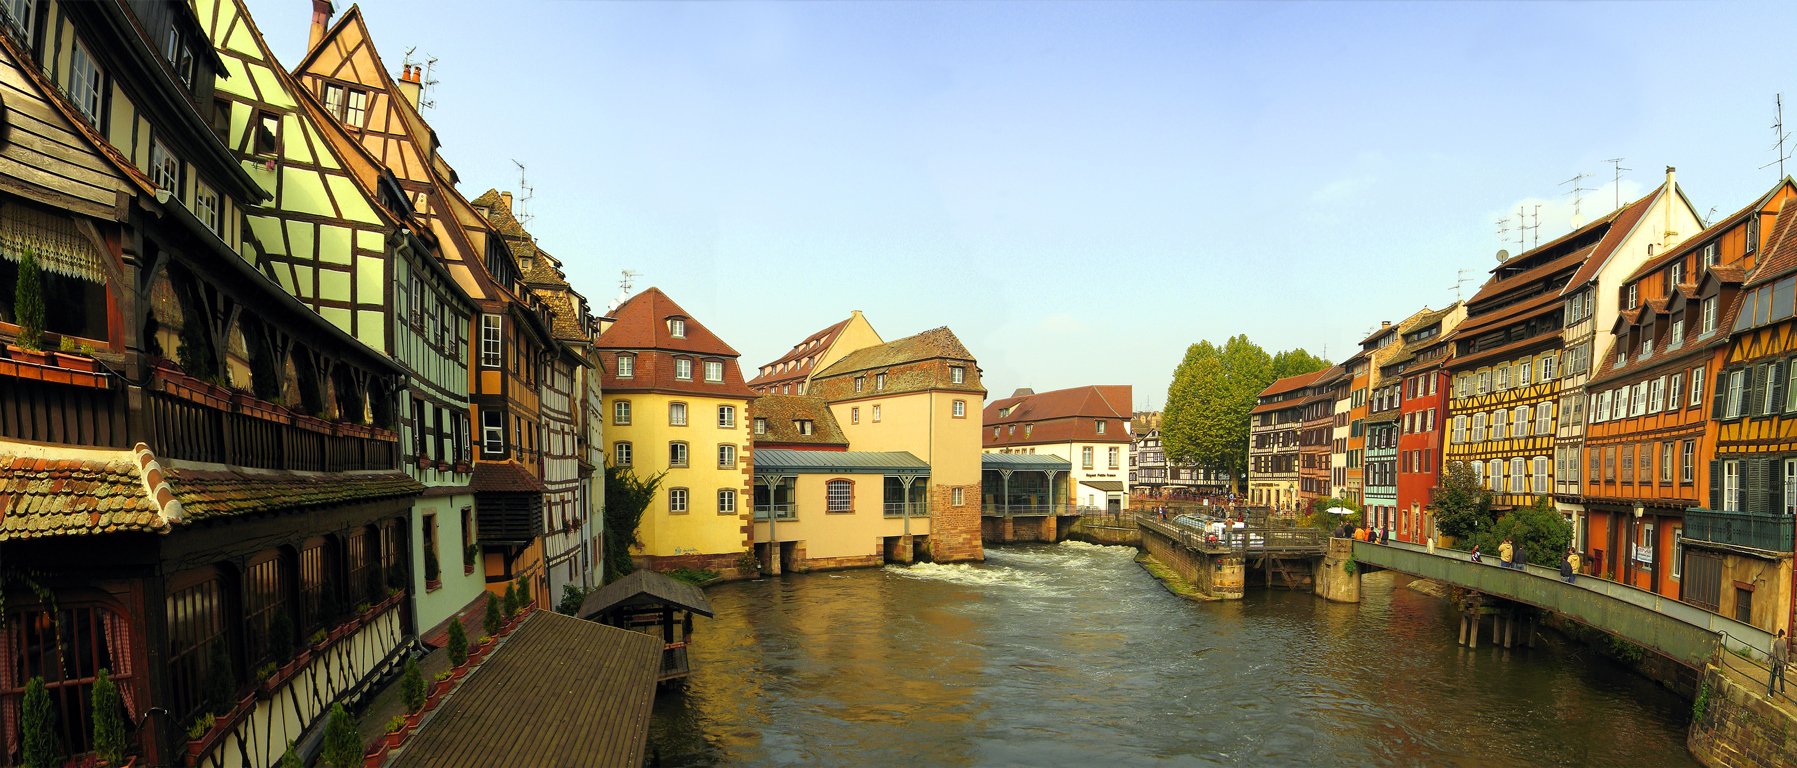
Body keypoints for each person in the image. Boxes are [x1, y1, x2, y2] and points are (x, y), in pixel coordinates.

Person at [1772, 630, 1790, 698]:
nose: (1784, 637)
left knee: (1773, 678)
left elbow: (1774, 654)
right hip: (1782, 663)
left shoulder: (1776, 643)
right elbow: (1786, 655)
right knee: (1781, 678)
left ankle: (1771, 693)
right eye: (1784, 636)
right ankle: (1783, 691)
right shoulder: (1784, 644)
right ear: (1782, 635)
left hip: (1777, 663)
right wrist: (1787, 664)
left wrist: (1775, 661)